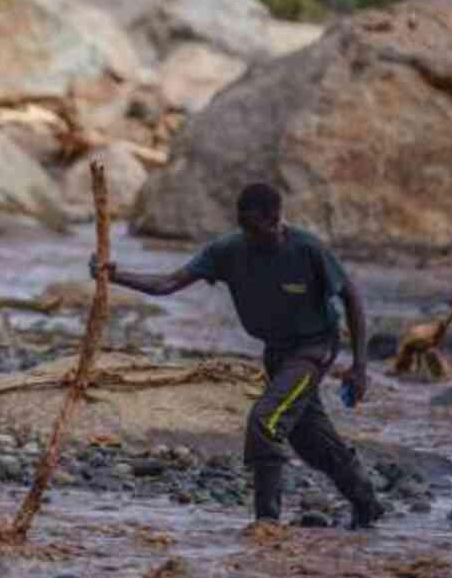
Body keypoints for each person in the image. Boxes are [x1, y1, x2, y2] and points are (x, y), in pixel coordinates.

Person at [89, 183, 385, 529]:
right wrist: (114, 275)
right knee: (308, 439)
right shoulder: (226, 250)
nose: (251, 236)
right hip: (276, 353)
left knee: (266, 420)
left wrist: (360, 367)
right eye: (244, 227)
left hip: (313, 350)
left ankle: (266, 522)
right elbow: (167, 284)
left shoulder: (307, 249)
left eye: (257, 228)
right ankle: (367, 503)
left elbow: (352, 298)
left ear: (276, 219)